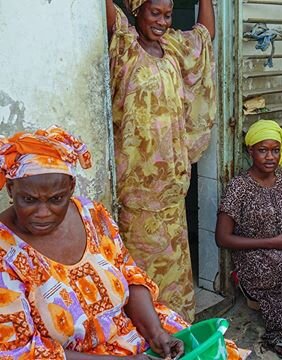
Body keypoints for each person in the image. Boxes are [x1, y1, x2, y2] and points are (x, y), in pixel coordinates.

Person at [0, 126, 187, 359]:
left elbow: (129, 274)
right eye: (29, 200)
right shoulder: (4, 253)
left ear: (70, 189)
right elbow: (20, 352)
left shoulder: (90, 214)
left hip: (135, 336)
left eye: (56, 199)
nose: (43, 212)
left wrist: (156, 333)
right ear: (10, 189)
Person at [105, 0, 216, 321]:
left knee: (174, 266)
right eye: (155, 13)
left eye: (168, 15)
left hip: (171, 187)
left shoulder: (172, 46)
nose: (163, 22)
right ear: (137, 10)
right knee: (141, 267)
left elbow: (204, 35)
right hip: (136, 190)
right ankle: (145, 331)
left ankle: (176, 328)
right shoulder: (125, 46)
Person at [216, 120, 282, 358]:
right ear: (250, 151)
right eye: (263, 150)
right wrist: (273, 242)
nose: (270, 157)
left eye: (275, 150)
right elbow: (223, 238)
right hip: (255, 258)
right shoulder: (239, 187)